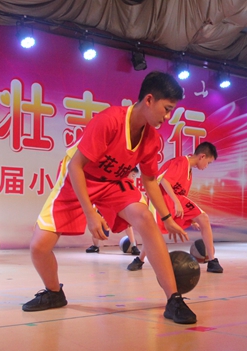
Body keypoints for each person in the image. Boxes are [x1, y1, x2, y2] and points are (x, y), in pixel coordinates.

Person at [22, 71, 197, 324]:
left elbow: (150, 181)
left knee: (145, 218)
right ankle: (53, 293)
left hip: (114, 182)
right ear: (149, 100)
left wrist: (167, 218)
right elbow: (76, 166)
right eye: (167, 109)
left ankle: (174, 300)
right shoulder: (109, 120)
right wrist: (90, 214)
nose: (168, 117)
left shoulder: (152, 139)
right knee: (39, 247)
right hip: (79, 178)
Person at [127, 142, 223, 273]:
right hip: (162, 197)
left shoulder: (189, 169)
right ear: (202, 156)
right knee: (154, 232)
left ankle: (212, 261)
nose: (207, 166)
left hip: (176, 198)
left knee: (203, 218)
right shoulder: (181, 161)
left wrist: (192, 218)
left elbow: (180, 195)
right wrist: (176, 202)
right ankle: (139, 259)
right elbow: (165, 181)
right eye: (208, 162)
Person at [86, 167, 141, 255]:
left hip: (120, 206)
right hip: (107, 205)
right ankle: (96, 246)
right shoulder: (114, 178)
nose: (133, 178)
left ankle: (133, 246)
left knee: (127, 224)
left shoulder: (130, 184)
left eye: (134, 176)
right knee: (99, 224)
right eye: (133, 175)